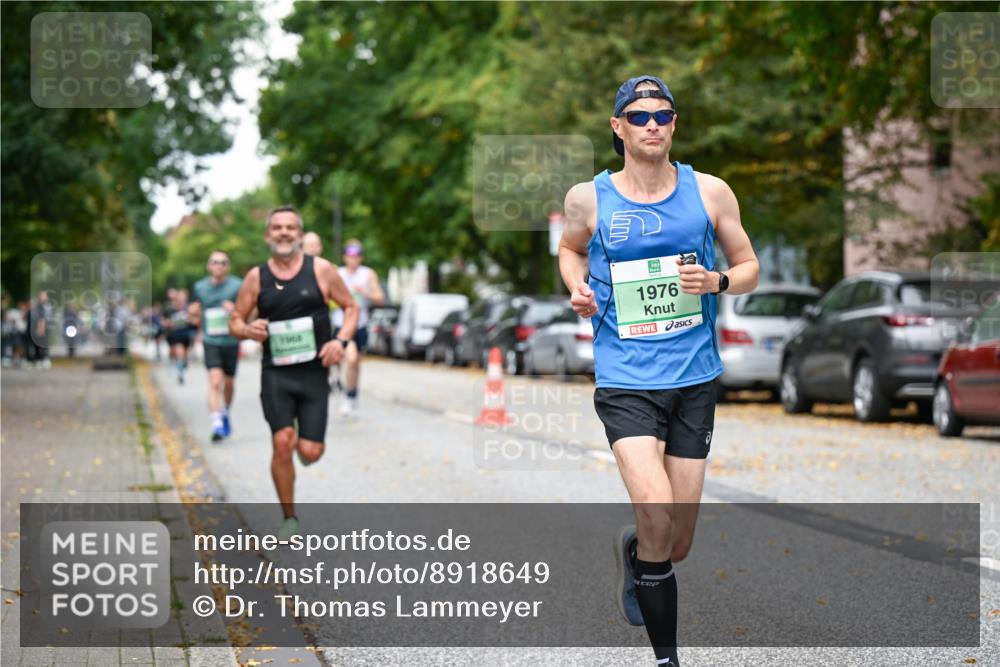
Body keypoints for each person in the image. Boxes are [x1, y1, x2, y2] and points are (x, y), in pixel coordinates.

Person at [558, 75, 759, 667]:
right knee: (655, 507)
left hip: (694, 376)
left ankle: (638, 557)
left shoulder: (711, 193)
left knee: (677, 542)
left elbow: (748, 265)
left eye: (663, 116)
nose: (653, 125)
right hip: (625, 377)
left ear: (674, 125)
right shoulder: (588, 199)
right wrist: (577, 287)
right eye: (639, 116)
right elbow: (571, 249)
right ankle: (667, 659)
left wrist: (716, 281)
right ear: (617, 127)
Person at [230, 206, 358, 539]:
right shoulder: (256, 277)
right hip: (276, 373)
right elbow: (235, 321)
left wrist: (341, 341)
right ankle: (289, 518)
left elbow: (351, 307)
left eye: (290, 228)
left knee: (311, 452)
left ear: (300, 235)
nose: (284, 233)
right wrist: (248, 330)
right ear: (267, 235)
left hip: (315, 372)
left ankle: (304, 442)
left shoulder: (322, 270)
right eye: (277, 228)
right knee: (281, 442)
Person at [190, 251, 243, 442]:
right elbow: (194, 315)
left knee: (229, 383)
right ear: (208, 266)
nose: (218, 266)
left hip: (231, 340)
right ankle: (216, 423)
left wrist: (235, 310)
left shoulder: (237, 285)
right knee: (214, 380)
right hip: (210, 340)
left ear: (228, 266)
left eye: (223, 262)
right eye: (214, 262)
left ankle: (225, 411)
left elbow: (249, 312)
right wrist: (193, 314)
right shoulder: (200, 287)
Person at [331, 239, 384, 417]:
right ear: (345, 257)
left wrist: (365, 292)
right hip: (342, 323)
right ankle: (347, 394)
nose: (353, 260)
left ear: (360, 258)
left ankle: (352, 394)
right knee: (351, 359)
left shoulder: (368, 274)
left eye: (357, 256)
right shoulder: (337, 274)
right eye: (350, 256)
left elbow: (380, 297)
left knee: (356, 363)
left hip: (360, 324)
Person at [164, 288, 197, 384]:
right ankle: (180, 374)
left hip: (186, 335)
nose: (182, 299)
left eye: (184, 297)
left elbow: (196, 321)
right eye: (180, 297)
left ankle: (180, 366)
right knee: (179, 353)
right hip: (175, 335)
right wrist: (171, 323)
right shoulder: (170, 309)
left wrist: (189, 320)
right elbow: (164, 321)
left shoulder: (189, 309)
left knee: (184, 356)